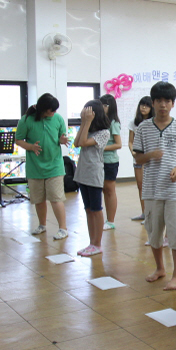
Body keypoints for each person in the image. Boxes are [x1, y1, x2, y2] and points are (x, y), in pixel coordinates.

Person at [133, 82, 176, 291]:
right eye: (159, 100)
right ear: (153, 103)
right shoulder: (143, 128)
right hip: (151, 188)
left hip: (173, 189)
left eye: (167, 101)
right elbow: (138, 157)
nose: (163, 105)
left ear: (173, 103)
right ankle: (160, 268)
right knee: (154, 231)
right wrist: (150, 155)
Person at [15, 94, 69, 240]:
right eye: (52, 110)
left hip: (55, 166)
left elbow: (61, 137)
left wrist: (62, 140)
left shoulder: (58, 119)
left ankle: (63, 228)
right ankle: (42, 225)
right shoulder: (26, 120)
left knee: (56, 198)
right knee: (38, 199)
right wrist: (31, 147)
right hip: (35, 167)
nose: (54, 113)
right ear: (43, 109)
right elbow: (18, 140)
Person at [72, 101, 111, 257]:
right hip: (82, 173)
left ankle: (97, 244)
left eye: (87, 113)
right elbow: (76, 143)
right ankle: (91, 243)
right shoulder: (87, 129)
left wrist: (86, 122)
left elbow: (83, 143)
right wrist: (84, 123)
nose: (84, 115)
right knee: (88, 210)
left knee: (96, 209)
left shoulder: (104, 132)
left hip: (94, 174)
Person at [128, 96, 154, 221]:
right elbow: (130, 141)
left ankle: (151, 214)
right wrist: (134, 153)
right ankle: (144, 213)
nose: (143, 107)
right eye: (142, 105)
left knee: (149, 186)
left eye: (147, 105)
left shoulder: (154, 122)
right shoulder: (134, 122)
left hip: (149, 159)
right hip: (138, 158)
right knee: (140, 185)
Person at [99, 94, 122, 231]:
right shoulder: (101, 121)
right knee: (103, 190)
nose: (102, 107)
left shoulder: (114, 123)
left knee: (109, 190)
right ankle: (106, 219)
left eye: (105, 105)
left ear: (110, 107)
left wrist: (101, 148)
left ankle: (111, 221)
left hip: (110, 161)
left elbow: (118, 144)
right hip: (99, 160)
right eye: (101, 104)